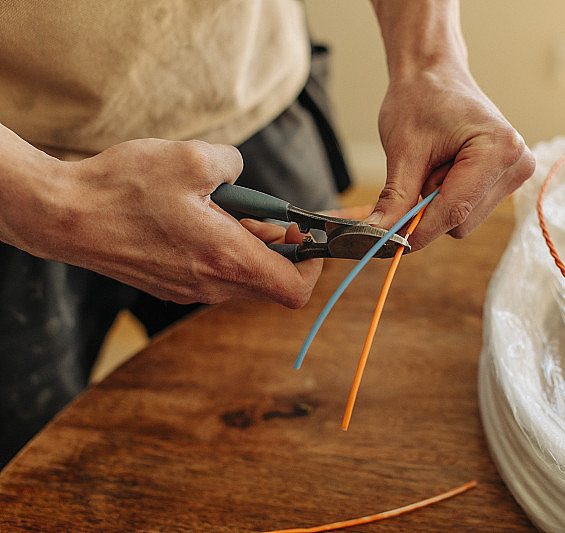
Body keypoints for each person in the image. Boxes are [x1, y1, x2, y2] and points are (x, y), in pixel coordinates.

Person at [0, 0, 535, 466]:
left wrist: (432, 59)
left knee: (294, 403)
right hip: (18, 173)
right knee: (20, 453)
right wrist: (54, 202)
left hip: (255, 98)